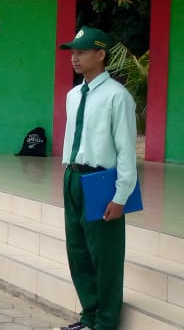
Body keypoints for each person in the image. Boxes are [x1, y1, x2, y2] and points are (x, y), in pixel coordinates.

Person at [56, 26, 137, 330]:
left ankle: (104, 322)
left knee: (105, 257)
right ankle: (88, 315)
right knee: (78, 251)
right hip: (73, 177)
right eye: (72, 52)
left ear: (100, 54)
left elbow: (126, 150)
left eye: (82, 52)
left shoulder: (118, 97)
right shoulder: (73, 95)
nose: (74, 58)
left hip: (102, 181)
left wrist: (121, 195)